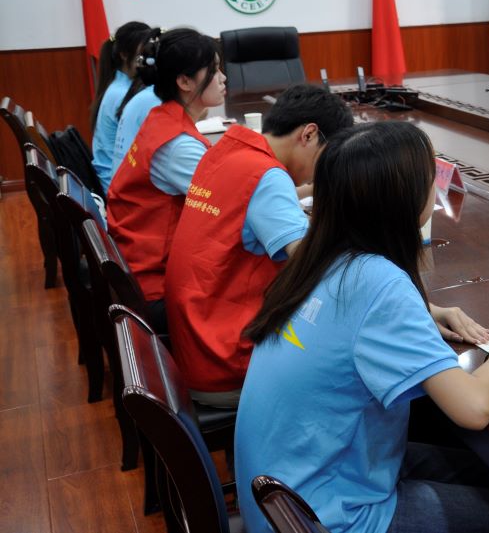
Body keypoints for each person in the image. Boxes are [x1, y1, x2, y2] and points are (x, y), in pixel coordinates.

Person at [235, 122, 489, 533]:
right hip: (327, 519)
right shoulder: (377, 282)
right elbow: (472, 408)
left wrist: (423, 314)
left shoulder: (320, 257)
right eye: (429, 174)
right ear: (402, 198)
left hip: (281, 500)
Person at [163, 84, 354, 408]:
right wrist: (416, 305)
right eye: (327, 157)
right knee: (353, 361)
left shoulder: (227, 149)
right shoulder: (267, 175)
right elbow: (313, 264)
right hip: (228, 362)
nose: (325, 171)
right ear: (308, 135)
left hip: (197, 341)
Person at [107, 28, 227, 329]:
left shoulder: (163, 117)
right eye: (213, 70)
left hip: (137, 263)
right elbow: (230, 205)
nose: (223, 77)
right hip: (155, 285)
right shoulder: (178, 146)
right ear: (184, 81)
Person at [89, 21, 151, 193]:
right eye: (143, 52)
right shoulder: (123, 94)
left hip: (112, 179)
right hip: (117, 187)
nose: (148, 58)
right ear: (124, 54)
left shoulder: (120, 86)